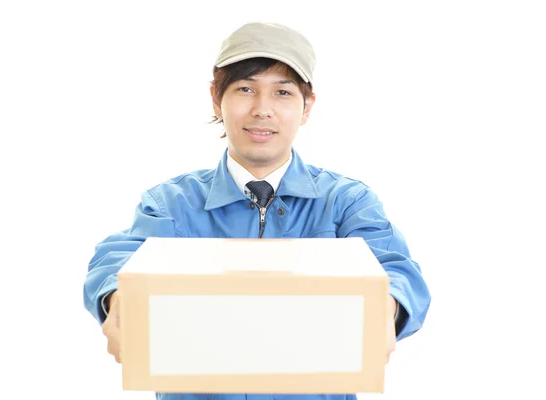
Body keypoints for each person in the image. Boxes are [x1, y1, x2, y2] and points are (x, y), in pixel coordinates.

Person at [84, 21, 431, 400]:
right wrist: (117, 297)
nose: (262, 110)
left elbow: (396, 268)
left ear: (306, 106)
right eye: (245, 89)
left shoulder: (346, 201)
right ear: (217, 98)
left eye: (282, 92)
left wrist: (387, 306)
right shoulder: (172, 203)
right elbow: (121, 256)